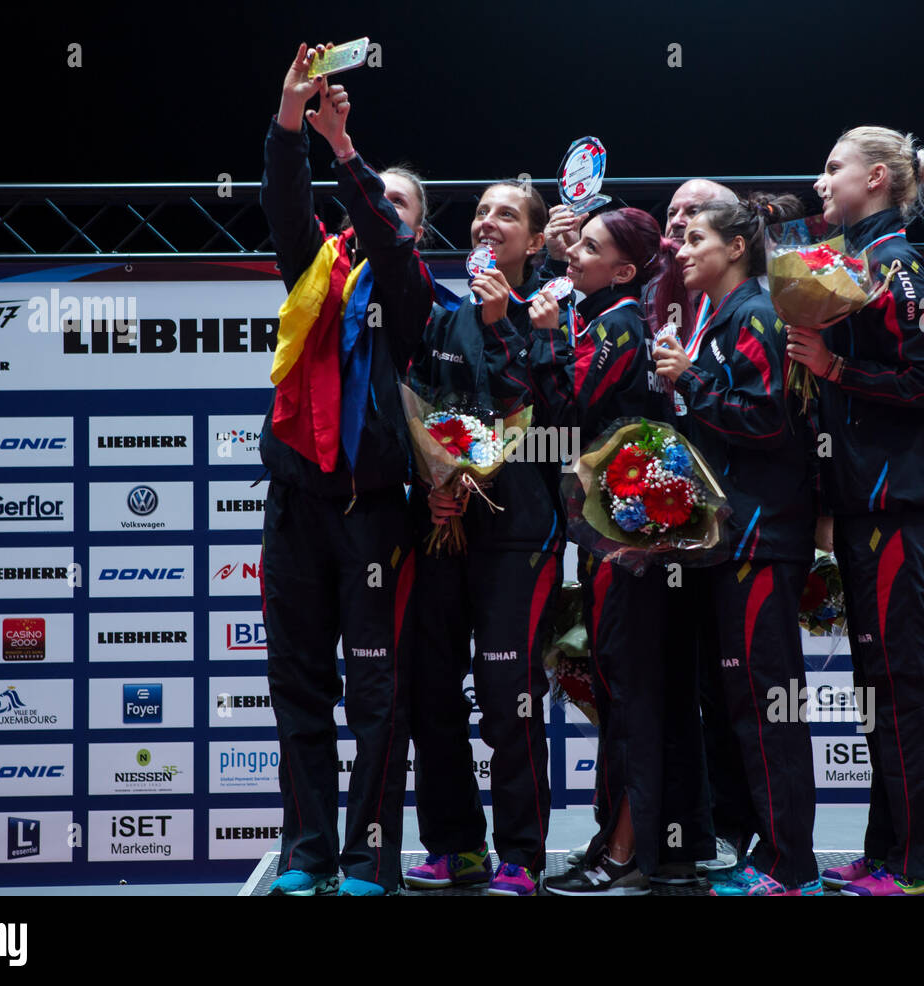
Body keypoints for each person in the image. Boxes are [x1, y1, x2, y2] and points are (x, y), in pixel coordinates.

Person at [258, 43, 434, 896]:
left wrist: (346, 150)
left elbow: (387, 243)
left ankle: (369, 858)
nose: (378, 207)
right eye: (371, 195)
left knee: (375, 695)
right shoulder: (315, 271)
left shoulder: (411, 288)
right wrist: (293, 120)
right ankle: (307, 853)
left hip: (373, 515)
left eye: (397, 201)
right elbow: (284, 205)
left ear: (415, 227)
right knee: (298, 687)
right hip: (296, 506)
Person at [370, 174, 562, 896]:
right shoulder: (445, 318)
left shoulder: (549, 315)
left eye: (506, 214)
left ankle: (522, 855)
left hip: (521, 532)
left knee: (509, 695)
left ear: (535, 242)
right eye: (481, 211)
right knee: (431, 690)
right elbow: (422, 406)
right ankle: (457, 846)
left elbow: (549, 417)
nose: (487, 222)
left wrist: (502, 324)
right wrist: (436, 481)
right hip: (448, 530)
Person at [517, 208, 714, 895]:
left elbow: (566, 418)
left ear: (624, 270)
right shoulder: (616, 320)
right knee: (628, 689)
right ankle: (637, 840)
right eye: (576, 243)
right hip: (622, 538)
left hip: (630, 546)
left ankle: (628, 852)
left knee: (630, 694)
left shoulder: (620, 325)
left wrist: (546, 339)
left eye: (589, 247)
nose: (573, 253)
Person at [787, 125, 924, 896]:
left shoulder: (899, 266)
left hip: (902, 504)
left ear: (879, 179)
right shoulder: (844, 266)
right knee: (878, 684)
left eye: (834, 168)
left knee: (903, 685)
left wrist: (834, 367)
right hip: (862, 504)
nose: (820, 182)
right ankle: (887, 851)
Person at [654, 194, 823, 896]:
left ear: (735, 248)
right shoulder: (715, 317)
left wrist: (687, 378)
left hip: (762, 539)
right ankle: (758, 849)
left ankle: (792, 867)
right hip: (729, 542)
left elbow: (768, 420)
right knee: (740, 705)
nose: (682, 248)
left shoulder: (756, 313)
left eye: (696, 238)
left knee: (769, 706)